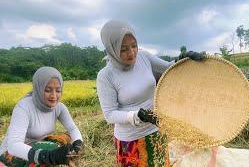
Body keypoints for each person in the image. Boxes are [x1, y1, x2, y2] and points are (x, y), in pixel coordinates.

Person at [97, 20, 204, 166]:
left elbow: (168, 69)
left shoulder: (144, 57)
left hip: (156, 130)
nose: (131, 52)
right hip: (131, 141)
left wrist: (183, 58)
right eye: (123, 49)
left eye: (134, 46)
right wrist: (135, 115)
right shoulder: (106, 76)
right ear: (112, 49)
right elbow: (109, 114)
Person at [0, 67, 83, 166]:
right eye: (48, 90)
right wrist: (47, 156)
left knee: (66, 139)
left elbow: (72, 128)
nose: (54, 96)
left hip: (38, 146)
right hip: (13, 153)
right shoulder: (23, 107)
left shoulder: (59, 107)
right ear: (38, 88)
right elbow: (13, 145)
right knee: (52, 149)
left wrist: (78, 144)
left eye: (58, 90)